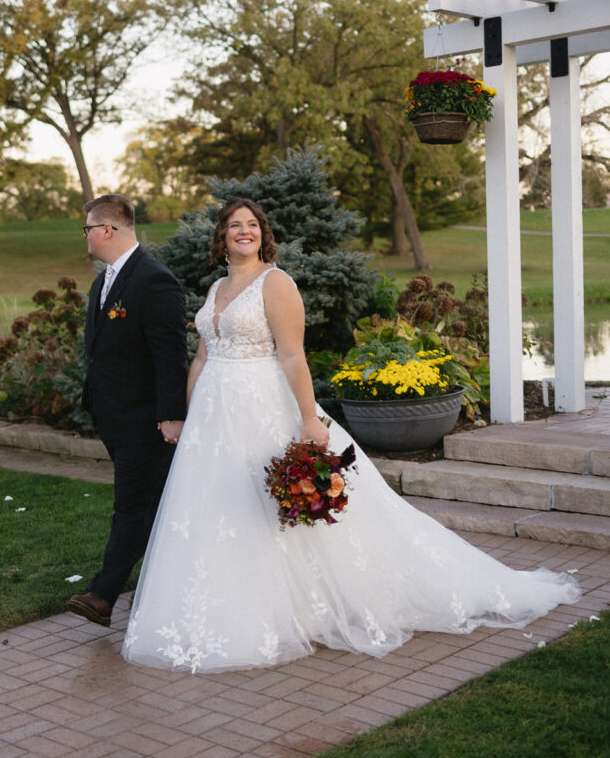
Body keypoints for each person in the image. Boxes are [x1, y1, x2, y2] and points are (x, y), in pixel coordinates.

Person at [122, 197, 580, 673]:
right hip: (214, 422)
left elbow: (292, 357)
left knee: (275, 508)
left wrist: (308, 420)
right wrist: (191, 416)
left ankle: (310, 605)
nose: (244, 231)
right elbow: (201, 357)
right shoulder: (217, 285)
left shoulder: (275, 283)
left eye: (252, 225)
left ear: (263, 234)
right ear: (221, 237)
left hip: (262, 409)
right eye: (234, 225)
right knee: (225, 509)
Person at [67, 194, 188, 628]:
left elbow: (171, 355)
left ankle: (102, 595)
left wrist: (172, 415)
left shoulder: (154, 281)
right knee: (152, 509)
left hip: (146, 421)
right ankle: (177, 587)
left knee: (131, 507)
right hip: (114, 419)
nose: (86, 237)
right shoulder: (104, 283)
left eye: (87, 229)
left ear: (107, 230)